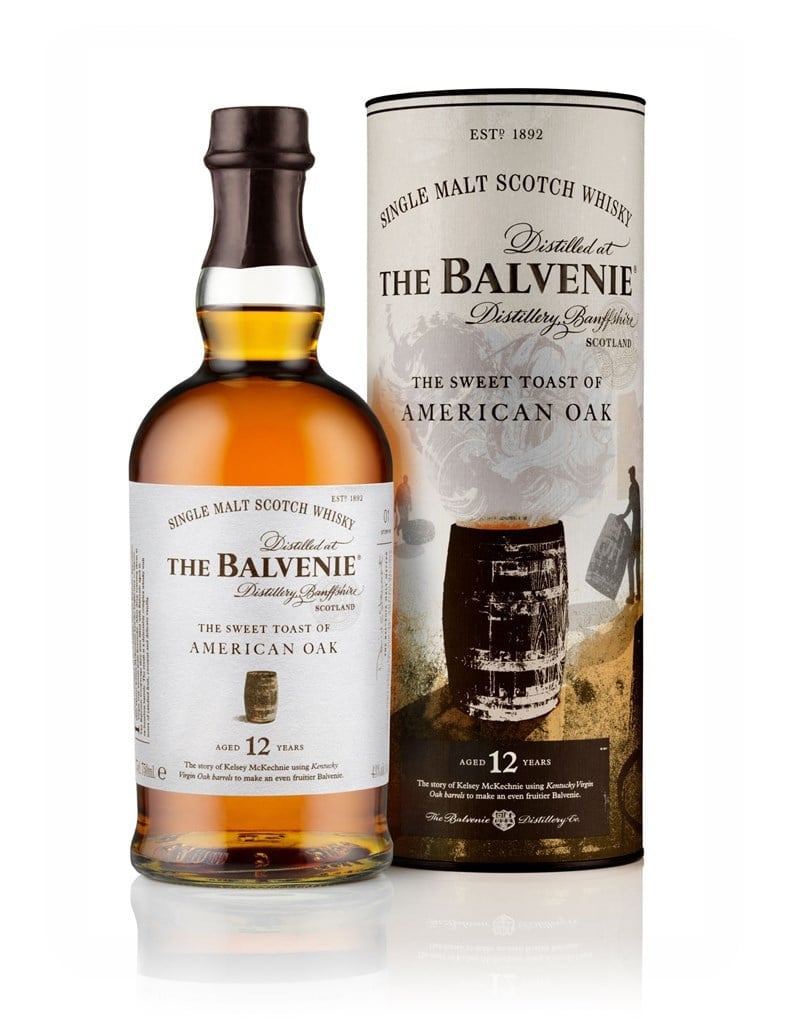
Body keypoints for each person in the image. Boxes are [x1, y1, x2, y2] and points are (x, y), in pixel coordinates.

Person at [618, 466, 641, 603]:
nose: (630, 477)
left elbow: (631, 505)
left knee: (631, 563)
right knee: (637, 563)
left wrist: (624, 515)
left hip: (635, 532)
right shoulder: (636, 486)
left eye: (631, 474)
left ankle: (632, 595)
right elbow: (631, 505)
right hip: (638, 529)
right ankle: (638, 594)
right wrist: (624, 515)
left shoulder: (633, 487)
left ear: (633, 474)